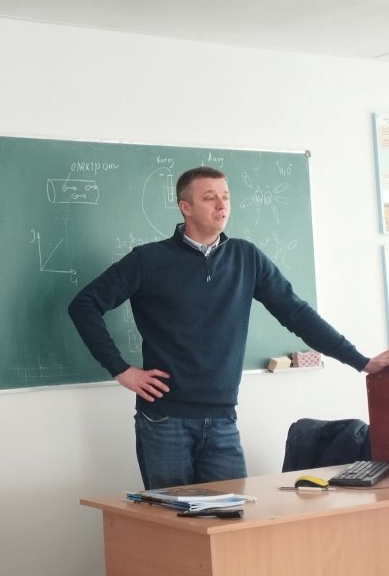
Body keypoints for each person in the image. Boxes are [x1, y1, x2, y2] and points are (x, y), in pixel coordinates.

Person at [68, 165, 389, 490]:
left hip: (223, 420)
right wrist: (120, 369)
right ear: (185, 207)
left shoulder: (246, 257)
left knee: (233, 514)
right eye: (210, 198)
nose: (222, 205)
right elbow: (84, 305)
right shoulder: (148, 260)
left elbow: (297, 314)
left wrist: (360, 361)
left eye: (225, 197)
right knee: (169, 518)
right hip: (165, 418)